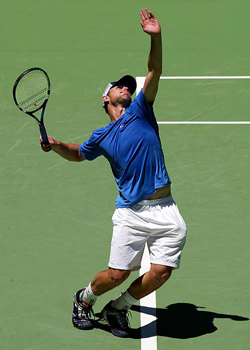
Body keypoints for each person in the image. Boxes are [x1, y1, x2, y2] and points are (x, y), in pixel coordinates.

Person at [40, 8, 187, 338]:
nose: (126, 88)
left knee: (161, 272)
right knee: (117, 274)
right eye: (119, 87)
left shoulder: (141, 109)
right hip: (131, 212)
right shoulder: (101, 136)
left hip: (165, 208)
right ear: (106, 98)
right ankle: (85, 298)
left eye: (127, 86)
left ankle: (118, 308)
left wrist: (156, 36)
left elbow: (155, 69)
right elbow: (78, 154)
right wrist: (56, 143)